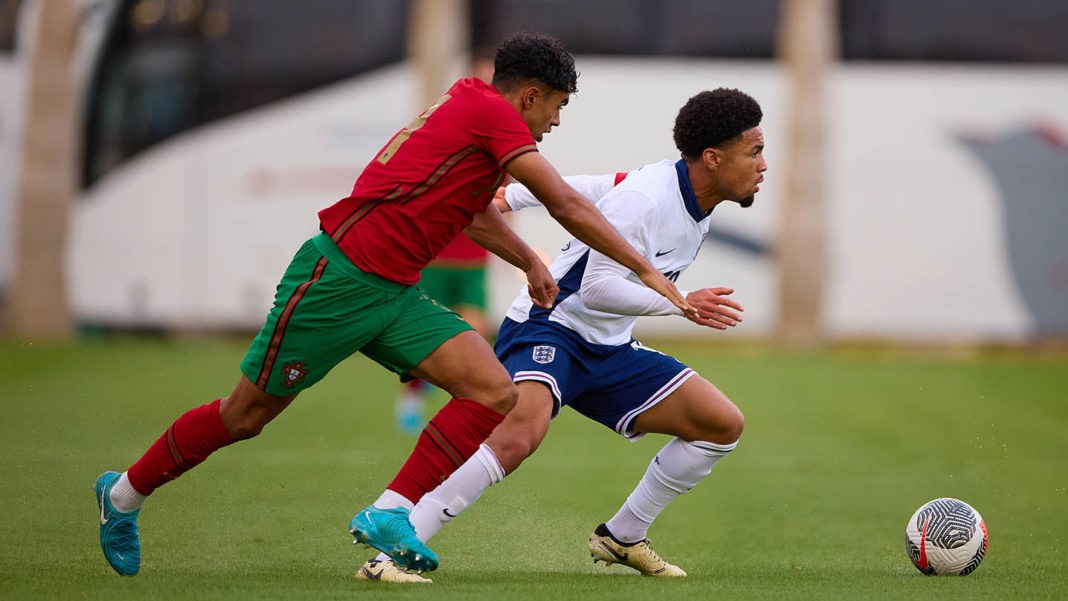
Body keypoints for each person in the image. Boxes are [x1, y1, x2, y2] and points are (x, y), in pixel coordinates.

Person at [93, 31, 694, 577]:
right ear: (531, 96)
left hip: (394, 291)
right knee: (244, 417)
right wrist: (647, 271)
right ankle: (123, 495)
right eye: (558, 107)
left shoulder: (473, 110)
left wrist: (532, 262)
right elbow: (564, 202)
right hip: (335, 282)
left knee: (494, 390)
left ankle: (390, 511)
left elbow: (477, 213)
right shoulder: (488, 113)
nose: (557, 122)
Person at [355, 88, 766, 583]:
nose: (763, 165)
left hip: (608, 346)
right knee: (520, 434)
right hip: (550, 325)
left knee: (720, 424)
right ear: (713, 158)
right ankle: (389, 553)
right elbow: (593, 290)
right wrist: (679, 303)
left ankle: (623, 535)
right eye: (755, 152)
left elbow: (592, 186)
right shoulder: (649, 198)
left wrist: (515, 194)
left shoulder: (677, 193)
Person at [394, 50, 499, 434]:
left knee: (474, 331)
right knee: (426, 338)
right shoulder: (453, 127)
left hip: (474, 259)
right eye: (484, 79)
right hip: (436, 254)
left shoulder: (506, 137)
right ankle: (411, 398)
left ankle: (465, 403)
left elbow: (506, 198)